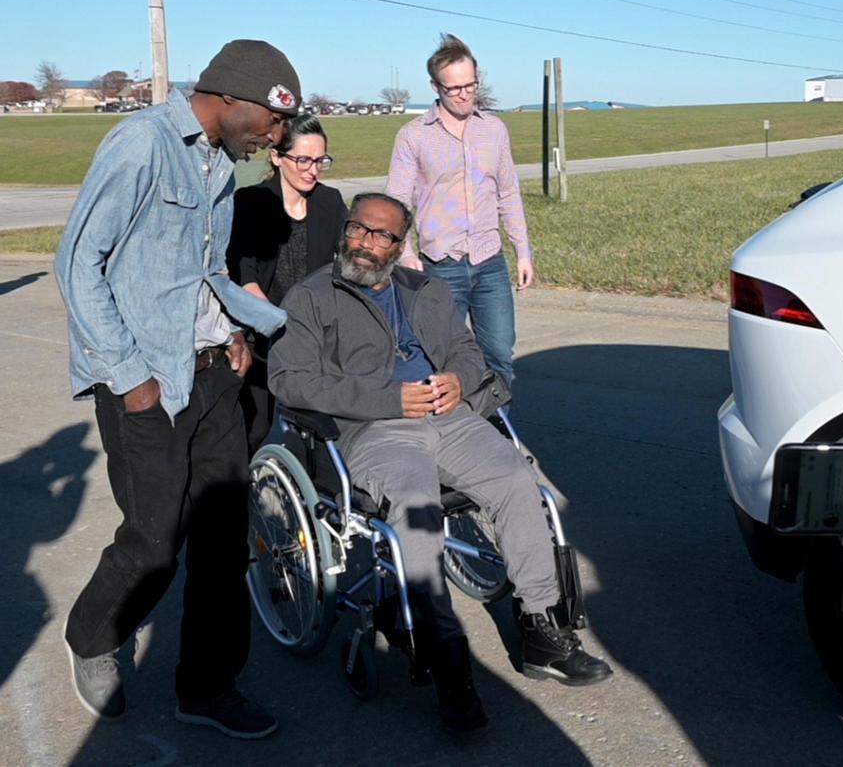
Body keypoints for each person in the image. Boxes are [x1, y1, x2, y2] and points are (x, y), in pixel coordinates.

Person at [268, 193, 611, 734]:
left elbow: (467, 352)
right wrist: (387, 399)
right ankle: (446, 656)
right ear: (346, 230)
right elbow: (289, 381)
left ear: (399, 246)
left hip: (449, 419)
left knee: (519, 483)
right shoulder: (310, 298)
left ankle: (544, 629)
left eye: (382, 237)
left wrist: (457, 379)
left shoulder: (425, 290)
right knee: (418, 507)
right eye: (359, 230)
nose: (366, 244)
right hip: (375, 431)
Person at [54, 39, 302, 739]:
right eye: (271, 121)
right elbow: (77, 263)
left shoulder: (218, 162)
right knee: (155, 541)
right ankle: (93, 631)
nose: (275, 137)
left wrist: (237, 326)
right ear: (229, 99)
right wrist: (130, 376)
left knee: (225, 542)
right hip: (144, 383)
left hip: (212, 371)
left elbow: (203, 267)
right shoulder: (141, 144)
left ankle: (208, 684)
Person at [386, 33, 532, 391]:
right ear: (435, 87)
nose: (466, 94)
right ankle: (458, 436)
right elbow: (397, 202)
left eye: (471, 85)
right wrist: (405, 254)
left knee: (499, 355)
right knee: (445, 360)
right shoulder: (413, 136)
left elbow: (509, 192)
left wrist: (523, 251)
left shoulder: (494, 130)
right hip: (440, 266)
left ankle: (496, 435)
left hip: (489, 262)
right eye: (455, 89)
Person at [227, 113, 347, 452]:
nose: (313, 169)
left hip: (316, 337)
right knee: (254, 428)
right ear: (277, 157)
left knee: (322, 429)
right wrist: (279, 327)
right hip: (262, 336)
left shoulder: (330, 202)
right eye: (303, 159)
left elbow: (347, 266)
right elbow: (243, 274)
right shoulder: (250, 203)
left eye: (321, 160)